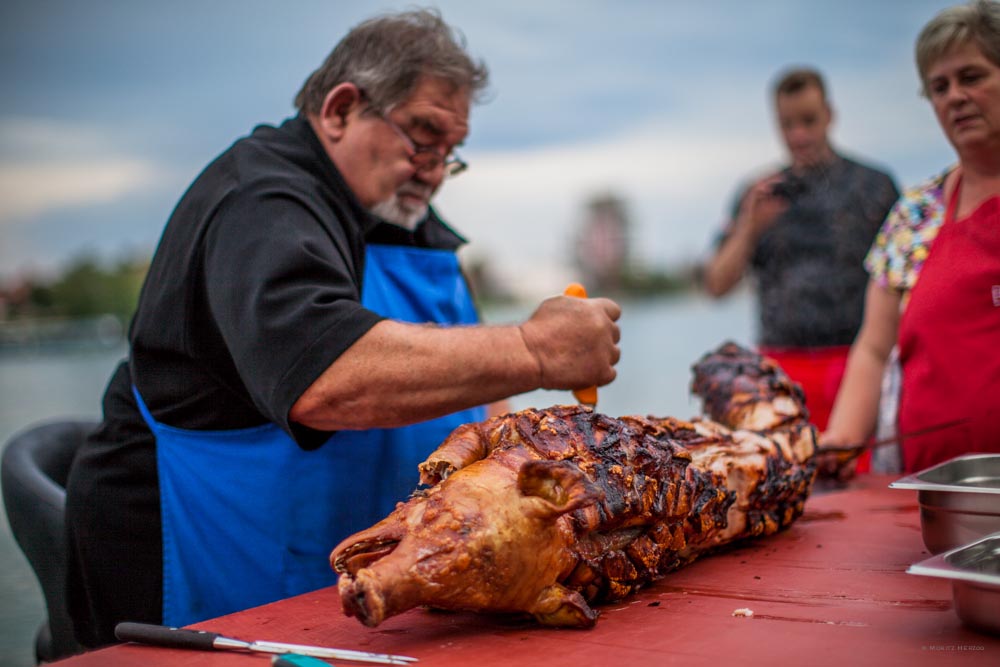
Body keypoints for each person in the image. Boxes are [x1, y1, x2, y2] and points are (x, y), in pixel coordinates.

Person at [64, 9, 621, 649]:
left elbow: (485, 401)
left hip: (382, 594)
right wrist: (535, 348)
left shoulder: (409, 221)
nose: (436, 170)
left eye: (450, 154)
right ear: (340, 110)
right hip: (194, 563)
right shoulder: (262, 199)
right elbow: (323, 377)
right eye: (422, 137)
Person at [820, 0, 1000, 477]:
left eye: (972, 76)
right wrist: (840, 441)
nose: (955, 96)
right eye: (939, 87)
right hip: (928, 497)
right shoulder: (915, 213)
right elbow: (874, 348)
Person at [702, 67, 900, 465]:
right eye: (787, 124)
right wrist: (749, 228)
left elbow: (905, 287)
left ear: (829, 114)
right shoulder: (757, 194)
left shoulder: (875, 186)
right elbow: (716, 285)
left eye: (808, 121)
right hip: (780, 375)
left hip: (859, 368)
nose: (798, 135)